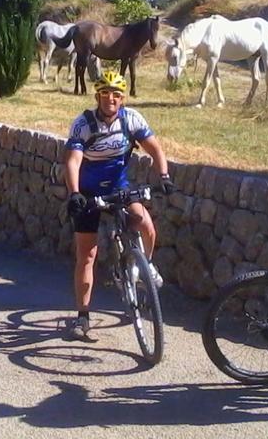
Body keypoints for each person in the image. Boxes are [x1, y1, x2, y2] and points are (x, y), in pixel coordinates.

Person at [63, 69, 172, 341]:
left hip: (119, 187)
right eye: (105, 93)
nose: (110, 99)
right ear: (97, 96)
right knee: (87, 255)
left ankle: (141, 269)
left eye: (116, 94)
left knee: (146, 226)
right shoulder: (83, 124)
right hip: (87, 192)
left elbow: (155, 148)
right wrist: (75, 193)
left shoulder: (131, 119)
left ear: (122, 98)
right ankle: (82, 317)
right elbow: (73, 161)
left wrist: (164, 176)